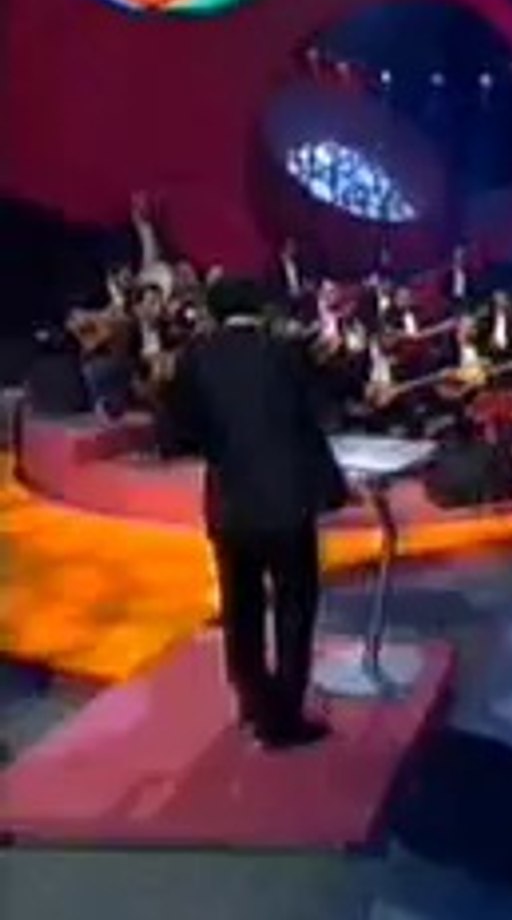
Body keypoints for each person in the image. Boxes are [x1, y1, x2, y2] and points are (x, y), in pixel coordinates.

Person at [168, 277, 348, 749]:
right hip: (288, 503)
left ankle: (254, 701)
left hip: (231, 505)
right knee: (294, 607)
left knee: (240, 608)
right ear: (259, 308)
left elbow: (178, 435)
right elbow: (319, 417)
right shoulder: (284, 353)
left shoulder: (194, 358)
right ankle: (284, 717)